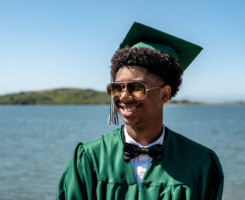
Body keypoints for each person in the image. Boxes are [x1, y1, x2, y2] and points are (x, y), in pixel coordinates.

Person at [56, 22, 224, 200]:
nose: (124, 96)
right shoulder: (90, 158)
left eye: (136, 87)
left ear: (165, 94)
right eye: (117, 87)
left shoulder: (198, 162)